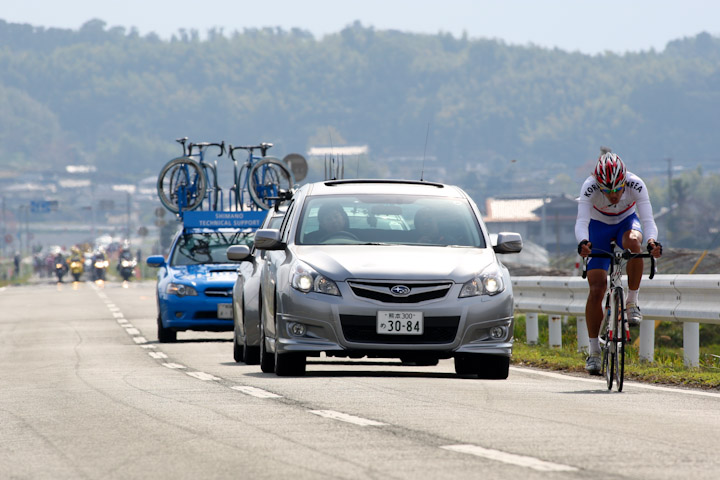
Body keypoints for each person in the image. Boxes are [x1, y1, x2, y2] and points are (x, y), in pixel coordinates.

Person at [575, 150, 663, 375]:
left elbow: (648, 220)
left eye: (617, 189)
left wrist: (652, 241)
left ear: (625, 182)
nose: (613, 195)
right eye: (607, 190)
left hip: (626, 221)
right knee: (596, 288)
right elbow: (582, 222)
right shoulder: (589, 187)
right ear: (598, 184)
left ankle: (632, 301)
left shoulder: (636, 184)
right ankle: (594, 351)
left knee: (634, 243)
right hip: (598, 226)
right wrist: (583, 242)